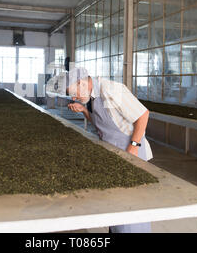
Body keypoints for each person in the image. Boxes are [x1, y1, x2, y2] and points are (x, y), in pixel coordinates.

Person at [65, 67, 153, 233]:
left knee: (131, 212)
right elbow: (102, 125)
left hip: (130, 154)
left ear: (81, 82)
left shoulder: (111, 89)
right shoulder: (91, 98)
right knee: (116, 208)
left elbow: (143, 115)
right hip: (113, 157)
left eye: (74, 93)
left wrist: (133, 147)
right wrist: (84, 110)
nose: (74, 98)